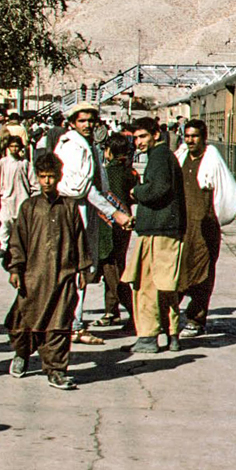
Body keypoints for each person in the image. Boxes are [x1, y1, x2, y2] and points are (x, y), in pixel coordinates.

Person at [4, 153, 92, 390]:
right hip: (33, 277)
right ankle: (22, 354)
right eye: (42, 177)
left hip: (64, 276)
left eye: (51, 177)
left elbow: (80, 240)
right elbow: (17, 241)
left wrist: (83, 269)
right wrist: (15, 268)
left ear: (59, 177)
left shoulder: (69, 207)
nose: (46, 182)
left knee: (60, 323)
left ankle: (56, 370)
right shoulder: (29, 207)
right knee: (24, 321)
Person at [54, 102, 132, 345]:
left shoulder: (85, 144)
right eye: (82, 121)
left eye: (91, 120)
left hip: (84, 210)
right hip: (75, 210)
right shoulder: (74, 147)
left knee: (82, 267)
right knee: (80, 266)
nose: (87, 125)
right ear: (73, 122)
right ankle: (74, 325)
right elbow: (82, 188)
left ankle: (73, 322)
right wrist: (115, 213)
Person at [122, 117, 186, 353]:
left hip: (157, 231)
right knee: (166, 286)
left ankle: (148, 338)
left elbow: (158, 188)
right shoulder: (166, 156)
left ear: (155, 135)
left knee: (146, 286)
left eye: (143, 137)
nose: (138, 142)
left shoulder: (159, 157)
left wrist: (136, 191)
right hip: (168, 230)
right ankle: (173, 335)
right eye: (136, 137)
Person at [174, 119, 236, 338]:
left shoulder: (211, 162)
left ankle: (196, 319)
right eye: (187, 136)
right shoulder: (182, 158)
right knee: (179, 270)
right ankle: (172, 316)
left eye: (194, 136)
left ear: (203, 138)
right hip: (183, 226)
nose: (190, 140)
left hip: (205, 227)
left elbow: (225, 194)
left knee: (202, 274)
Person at [93, 132, 137, 328]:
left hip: (108, 227)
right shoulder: (130, 171)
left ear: (109, 151)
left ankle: (134, 312)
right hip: (125, 225)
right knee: (116, 266)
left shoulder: (108, 172)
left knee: (111, 271)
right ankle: (111, 312)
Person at [0, 134, 40, 255]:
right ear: (8, 147)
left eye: (16, 146)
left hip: (22, 198)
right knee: (5, 223)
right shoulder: (3, 162)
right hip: (6, 198)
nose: (14, 149)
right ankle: (3, 247)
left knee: (21, 225)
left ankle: (21, 248)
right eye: (12, 146)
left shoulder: (25, 163)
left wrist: (34, 198)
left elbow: (34, 183)